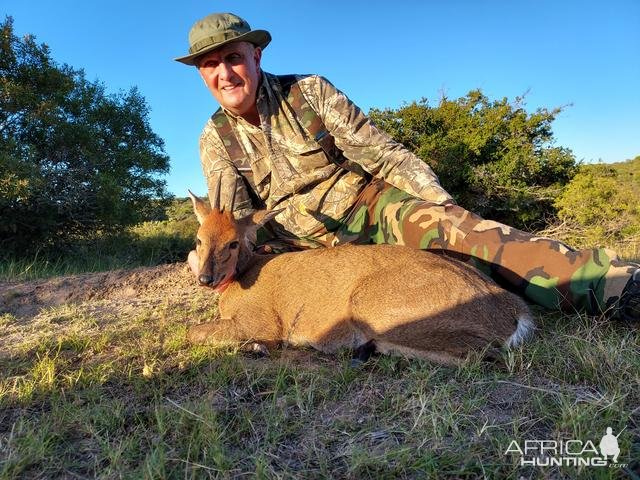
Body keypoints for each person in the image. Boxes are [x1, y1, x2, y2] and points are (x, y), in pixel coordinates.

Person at [175, 12, 639, 321]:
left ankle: (616, 285)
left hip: (370, 208)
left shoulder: (309, 92)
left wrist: (444, 209)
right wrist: (212, 260)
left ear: (256, 56)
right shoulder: (214, 139)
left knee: (471, 241)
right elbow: (228, 222)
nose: (224, 73)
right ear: (201, 74)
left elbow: (384, 153)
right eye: (210, 65)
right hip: (297, 247)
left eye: (233, 58)